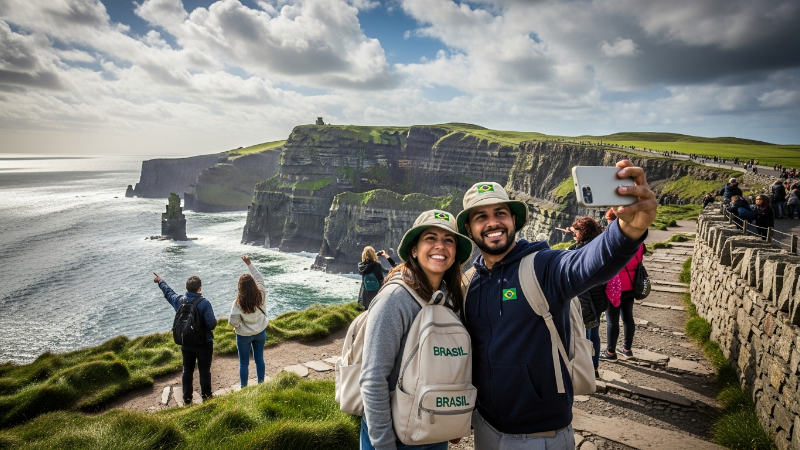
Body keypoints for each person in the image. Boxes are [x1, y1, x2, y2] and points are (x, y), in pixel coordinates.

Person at [456, 161, 655, 449]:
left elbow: (586, 263)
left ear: (514, 220)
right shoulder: (469, 282)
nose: (492, 223)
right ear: (469, 229)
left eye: (500, 213)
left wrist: (627, 231)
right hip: (486, 427)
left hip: (540, 435)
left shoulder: (543, 267)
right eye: (480, 217)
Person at [359, 210, 474, 450]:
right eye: (430, 238)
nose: (440, 246)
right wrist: (383, 444)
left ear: (455, 254)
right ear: (414, 249)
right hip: (394, 435)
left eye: (448, 240)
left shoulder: (451, 299)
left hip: (435, 429)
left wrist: (452, 417)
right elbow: (372, 379)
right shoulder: (394, 298)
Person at [153, 271, 217, 404]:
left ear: (186, 288)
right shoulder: (204, 303)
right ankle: (207, 395)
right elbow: (211, 325)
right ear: (200, 288)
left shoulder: (179, 301)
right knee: (204, 370)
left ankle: (187, 398)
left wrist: (160, 281)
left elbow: (168, 293)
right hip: (203, 343)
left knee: (187, 370)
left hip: (186, 342)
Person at [566, 217, 613, 377]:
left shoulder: (580, 250)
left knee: (584, 337)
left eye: (576, 231)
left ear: (583, 231)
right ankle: (593, 368)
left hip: (585, 298)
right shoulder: (600, 244)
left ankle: (583, 371)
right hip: (599, 296)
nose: (574, 234)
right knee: (594, 333)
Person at [599, 236, 644, 362]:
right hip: (631, 285)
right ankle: (627, 350)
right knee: (628, 317)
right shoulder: (640, 244)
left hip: (614, 288)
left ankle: (610, 352)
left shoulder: (616, 244)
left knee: (612, 319)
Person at [229, 256, 268, 388]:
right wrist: (249, 264)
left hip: (244, 336)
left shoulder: (238, 303)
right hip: (260, 332)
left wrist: (241, 326)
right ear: (253, 284)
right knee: (259, 359)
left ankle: (244, 387)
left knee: (244, 363)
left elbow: (233, 322)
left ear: (240, 287)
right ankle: (261, 384)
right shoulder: (261, 294)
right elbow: (259, 277)